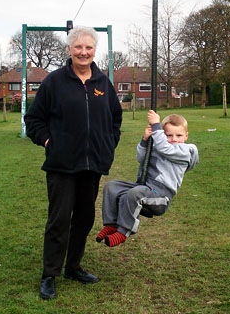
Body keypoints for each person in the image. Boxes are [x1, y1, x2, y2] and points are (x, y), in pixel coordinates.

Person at [24, 26, 122, 300]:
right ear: (69, 50)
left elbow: (115, 118)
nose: (83, 52)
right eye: (78, 47)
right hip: (62, 165)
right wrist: (48, 142)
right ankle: (49, 274)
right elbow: (33, 120)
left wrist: (107, 145)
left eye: (88, 47)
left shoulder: (103, 83)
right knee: (59, 219)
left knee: (84, 218)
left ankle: (73, 266)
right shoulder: (54, 82)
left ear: (94, 50)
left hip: (92, 166)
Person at [96, 109, 198, 248]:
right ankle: (111, 224)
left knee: (135, 193)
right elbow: (141, 158)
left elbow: (165, 149)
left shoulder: (184, 151)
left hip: (161, 196)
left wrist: (156, 125)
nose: (174, 139)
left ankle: (124, 231)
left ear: (186, 136)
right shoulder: (161, 145)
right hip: (145, 186)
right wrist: (145, 141)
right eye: (169, 135)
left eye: (178, 135)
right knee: (112, 186)